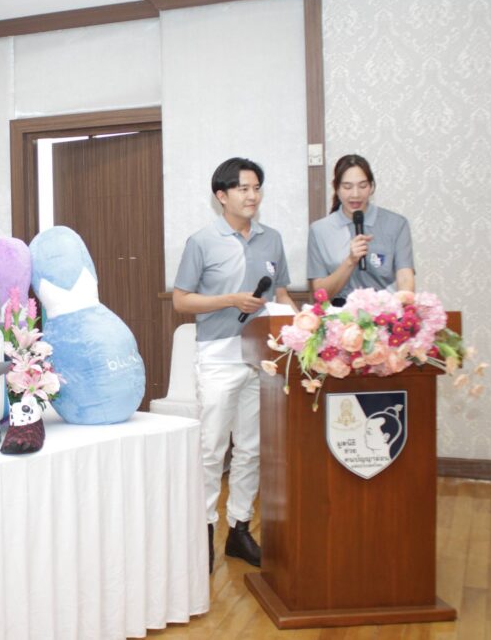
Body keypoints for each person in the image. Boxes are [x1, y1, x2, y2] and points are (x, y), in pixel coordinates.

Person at [172, 157, 295, 572]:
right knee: (211, 449)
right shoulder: (202, 241)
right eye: (243, 188)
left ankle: (239, 530)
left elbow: (282, 294)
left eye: (257, 188)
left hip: (262, 356)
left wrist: (302, 328)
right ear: (221, 196)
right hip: (218, 356)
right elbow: (181, 300)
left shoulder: (271, 239)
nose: (252, 196)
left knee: (252, 448)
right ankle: (203, 532)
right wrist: (230, 300)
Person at [307, 154, 415, 304]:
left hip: (384, 309)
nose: (355, 194)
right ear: (336, 188)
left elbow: (405, 278)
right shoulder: (320, 230)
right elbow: (319, 293)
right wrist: (350, 261)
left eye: (362, 186)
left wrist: (404, 305)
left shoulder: (396, 224)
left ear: (371, 187)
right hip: (340, 313)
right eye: (347, 187)